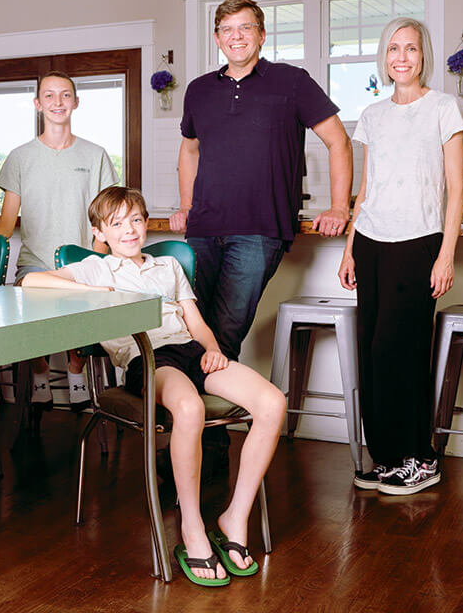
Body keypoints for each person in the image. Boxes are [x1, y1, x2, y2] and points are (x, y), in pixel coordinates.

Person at [23, 187, 286, 587]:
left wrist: (213, 349)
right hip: (147, 359)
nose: (129, 230)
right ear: (100, 232)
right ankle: (192, 528)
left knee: (271, 402)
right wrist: (92, 293)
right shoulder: (97, 268)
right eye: (116, 224)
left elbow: (195, 322)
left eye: (136, 220)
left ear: (146, 223)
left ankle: (235, 516)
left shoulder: (168, 266)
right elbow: (31, 282)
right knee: (190, 409)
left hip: (191, 350)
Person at [169, 0, 352, 469]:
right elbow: (189, 152)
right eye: (228, 29)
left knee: (222, 339)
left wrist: (338, 205)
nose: (237, 36)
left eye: (246, 28)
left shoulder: (291, 82)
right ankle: (192, 445)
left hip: (260, 231)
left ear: (262, 34)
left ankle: (200, 457)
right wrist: (187, 206)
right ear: (216, 37)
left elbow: (338, 140)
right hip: (204, 230)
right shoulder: (198, 90)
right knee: (192, 334)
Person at [337, 17, 463, 496]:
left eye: (410, 49)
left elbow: (456, 191)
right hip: (371, 241)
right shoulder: (372, 115)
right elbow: (366, 189)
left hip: (419, 243)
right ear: (384, 57)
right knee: (372, 353)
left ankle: (419, 457)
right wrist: (350, 247)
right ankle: (389, 458)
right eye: (393, 49)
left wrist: (446, 254)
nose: (402, 58)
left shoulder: (443, 109)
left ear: (423, 55)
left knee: (400, 351)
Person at [0, 71, 118, 415]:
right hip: (35, 265)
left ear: (76, 102)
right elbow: (5, 222)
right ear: (37, 104)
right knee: (32, 306)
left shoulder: (96, 155)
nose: (57, 102)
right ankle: (40, 372)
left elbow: (104, 222)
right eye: (49, 96)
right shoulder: (19, 157)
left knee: (78, 303)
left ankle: (77, 369)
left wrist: (95, 263)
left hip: (82, 263)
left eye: (64, 95)